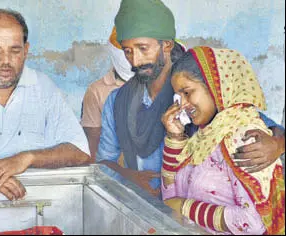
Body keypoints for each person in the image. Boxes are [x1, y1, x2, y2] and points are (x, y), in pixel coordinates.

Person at [96, 0, 285, 197]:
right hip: (140, 211)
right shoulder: (117, 101)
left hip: (194, 215)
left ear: (166, 45)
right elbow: (103, 162)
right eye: (128, 51)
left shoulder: (201, 92)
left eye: (143, 48)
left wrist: (278, 144)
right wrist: (129, 177)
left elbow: (263, 127)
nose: (135, 61)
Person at [0, 9, 90, 201]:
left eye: (15, 50)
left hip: (37, 213)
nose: (6, 61)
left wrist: (26, 159)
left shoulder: (43, 88)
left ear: (26, 51)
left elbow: (81, 152)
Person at [161, 46, 285, 235]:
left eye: (187, 92)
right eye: (179, 96)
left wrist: (187, 208)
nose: (182, 105)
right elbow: (170, 200)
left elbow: (255, 221)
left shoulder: (244, 137)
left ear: (214, 86)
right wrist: (174, 138)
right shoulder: (204, 136)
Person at [81, 27, 134, 160]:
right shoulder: (96, 91)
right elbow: (93, 146)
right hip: (114, 171)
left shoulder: (157, 84)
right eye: (126, 51)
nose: (132, 58)